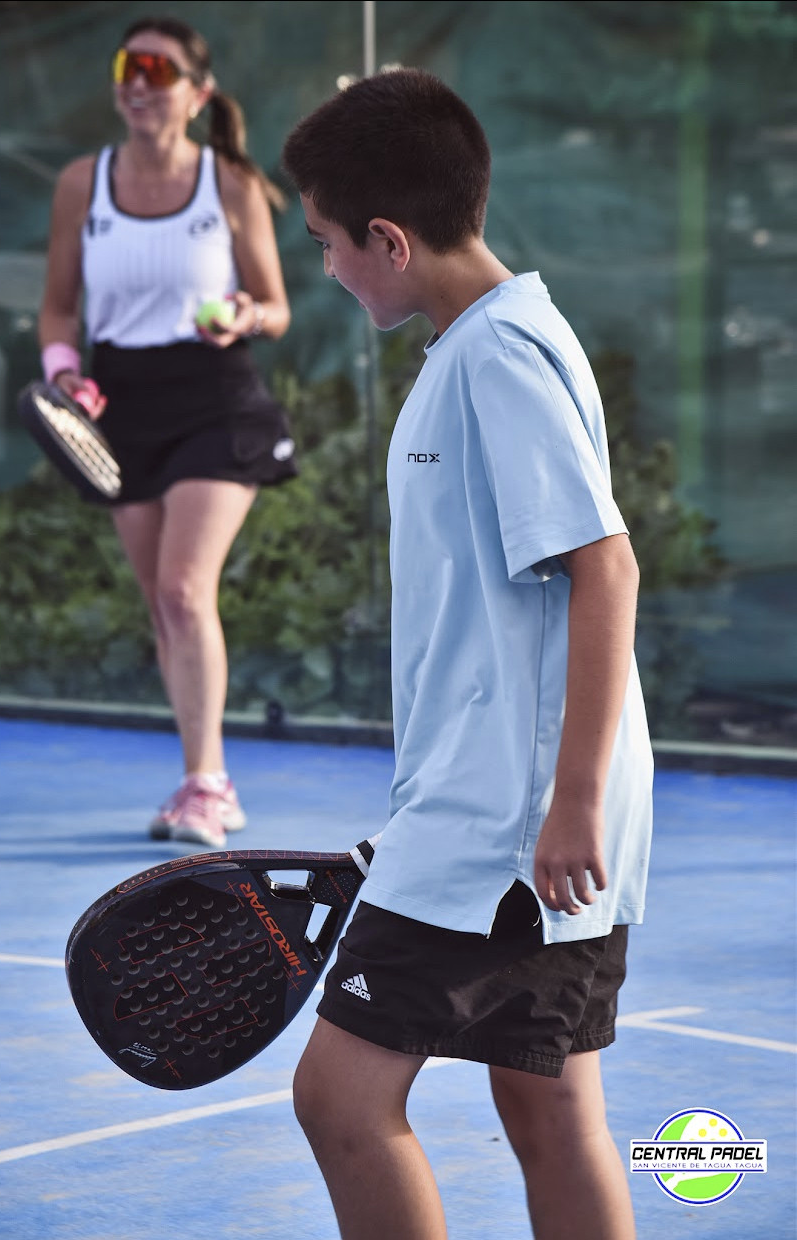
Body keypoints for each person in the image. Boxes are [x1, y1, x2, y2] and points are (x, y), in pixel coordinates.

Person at [282, 69, 653, 1240]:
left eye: (329, 242)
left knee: (341, 1098)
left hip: (509, 833)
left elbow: (607, 569)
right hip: (503, 813)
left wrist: (570, 802)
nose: (328, 268)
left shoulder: (499, 357)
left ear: (389, 240)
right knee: (550, 1107)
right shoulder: (484, 342)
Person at [38, 16, 297, 849]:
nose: (139, 83)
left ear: (198, 93)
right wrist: (62, 370)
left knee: (185, 590)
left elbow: (277, 307)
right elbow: (58, 309)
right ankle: (198, 775)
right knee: (162, 603)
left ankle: (208, 784)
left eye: (158, 68)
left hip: (215, 398)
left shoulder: (231, 184)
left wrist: (245, 315)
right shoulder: (81, 184)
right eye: (128, 65)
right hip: (120, 404)